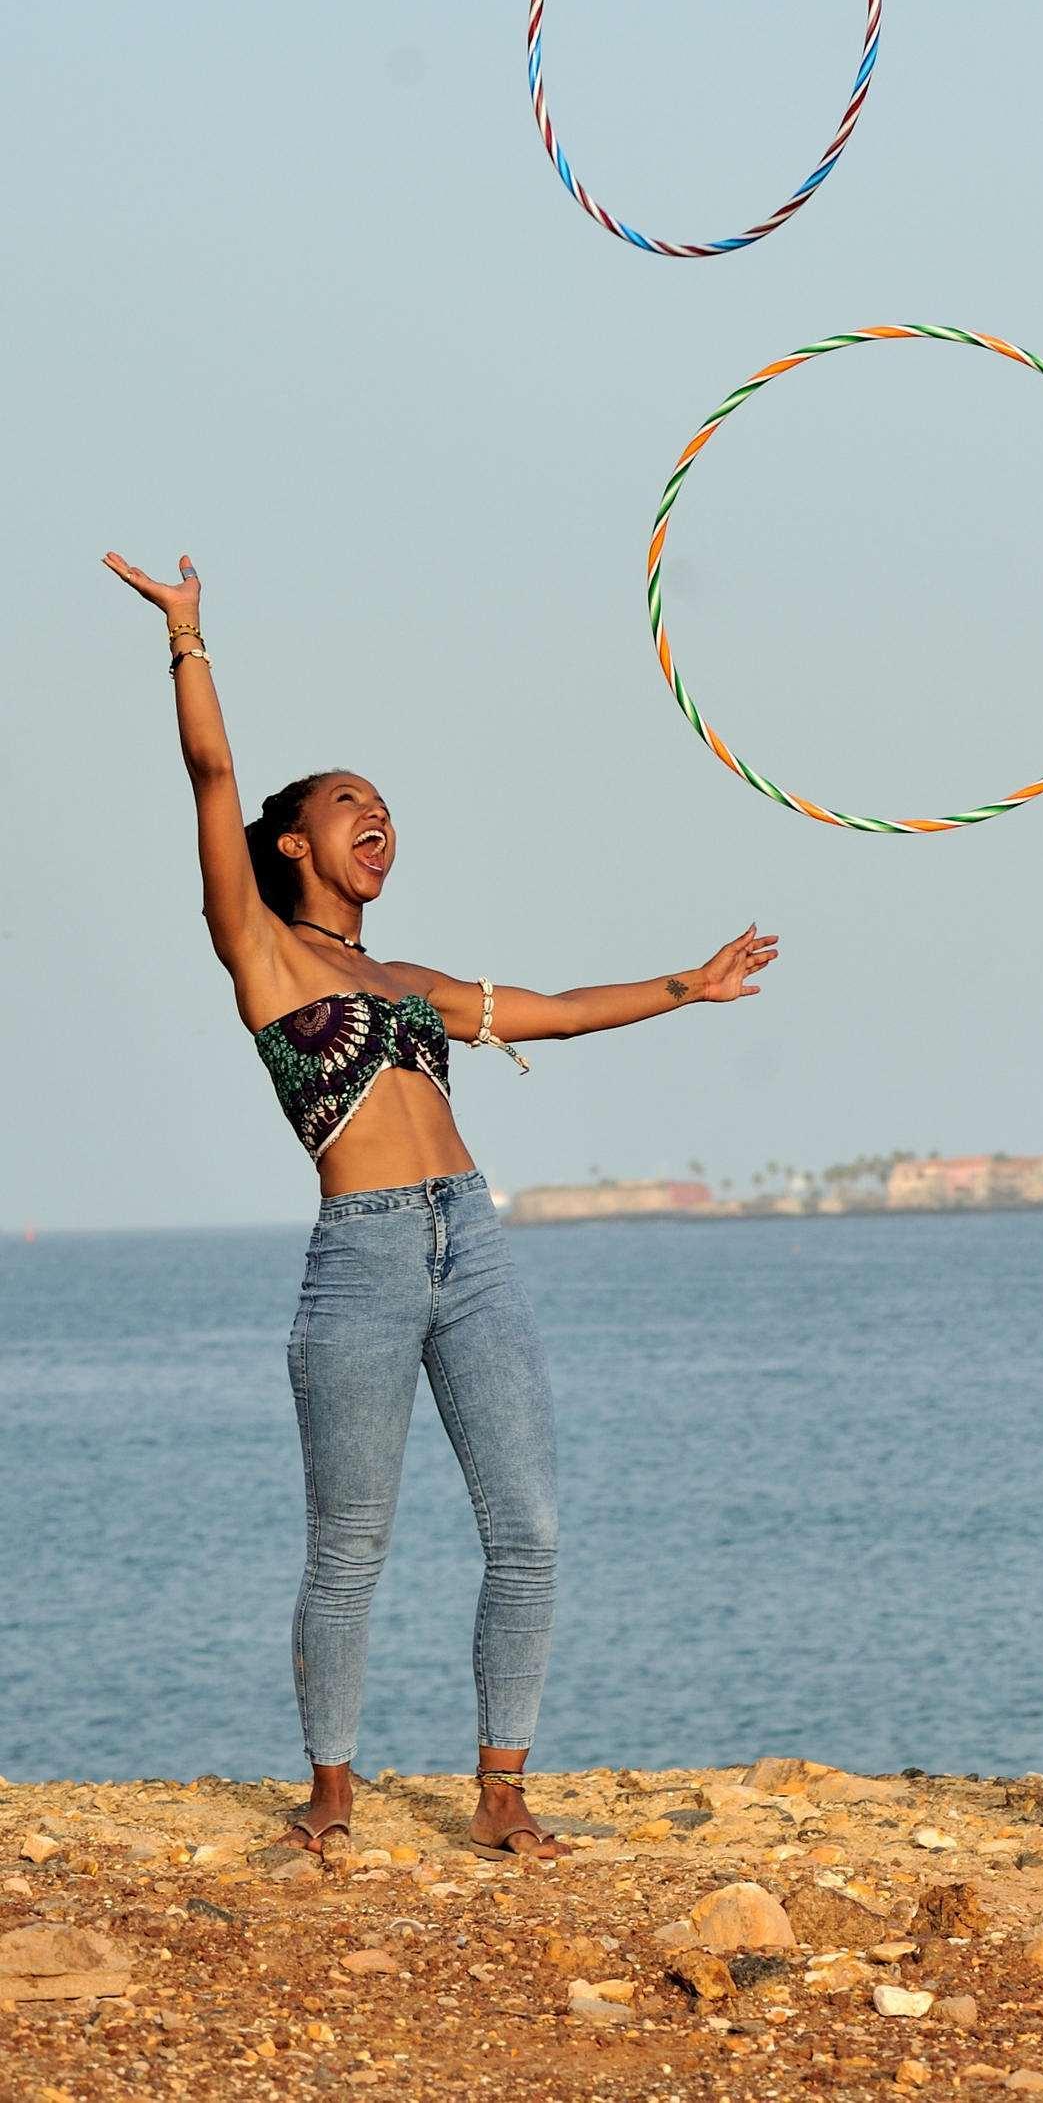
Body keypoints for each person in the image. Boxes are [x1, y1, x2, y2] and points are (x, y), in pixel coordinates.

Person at [104, 550, 780, 1862]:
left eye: (390, 809)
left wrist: (683, 987)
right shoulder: (257, 943)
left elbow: (560, 1014)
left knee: (526, 1526)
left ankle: (503, 1789)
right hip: (360, 1254)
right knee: (349, 1546)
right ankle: (333, 1793)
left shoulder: (405, 976)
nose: (382, 821)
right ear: (299, 841)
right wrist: (191, 640)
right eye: (354, 804)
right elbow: (212, 783)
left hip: (469, 1238)